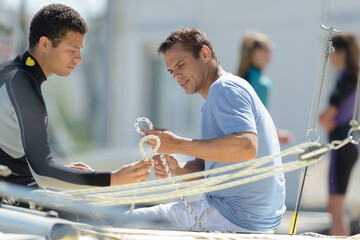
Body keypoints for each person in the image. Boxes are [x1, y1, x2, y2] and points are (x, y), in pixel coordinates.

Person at [120, 28, 286, 233]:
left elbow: (247, 147)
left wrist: (177, 143)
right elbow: (212, 166)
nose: (176, 76)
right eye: (171, 71)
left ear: (205, 54)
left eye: (181, 65)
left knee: (121, 222)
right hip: (254, 220)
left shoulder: (224, 89)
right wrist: (178, 169)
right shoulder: (222, 93)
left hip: (233, 217)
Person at [0, 4, 153, 191]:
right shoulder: (23, 87)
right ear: (45, 44)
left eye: (80, 50)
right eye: (71, 50)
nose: (79, 58)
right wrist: (113, 178)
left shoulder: (11, 73)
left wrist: (61, 171)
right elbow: (43, 172)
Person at [319, 33, 360, 236]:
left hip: (341, 146)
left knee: (334, 208)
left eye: (332, 52)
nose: (330, 57)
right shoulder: (351, 77)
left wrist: (326, 118)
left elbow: (326, 118)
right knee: (336, 207)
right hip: (347, 146)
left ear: (341, 52)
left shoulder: (345, 80)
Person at [237, 31, 294, 144]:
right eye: (268, 54)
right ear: (256, 53)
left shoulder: (236, 81)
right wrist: (277, 135)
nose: (270, 60)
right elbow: (260, 123)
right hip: (254, 147)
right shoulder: (262, 84)